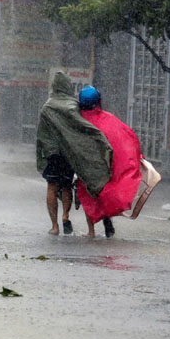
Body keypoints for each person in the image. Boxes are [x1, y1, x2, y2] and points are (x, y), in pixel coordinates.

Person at [36, 72, 113, 235]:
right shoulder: (74, 105)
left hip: (52, 154)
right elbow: (82, 127)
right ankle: (66, 215)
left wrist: (42, 155)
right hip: (69, 153)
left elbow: (41, 136)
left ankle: (55, 226)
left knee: (51, 187)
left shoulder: (47, 108)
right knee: (66, 186)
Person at [76, 86, 142, 238]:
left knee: (87, 195)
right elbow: (125, 138)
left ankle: (91, 230)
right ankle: (107, 218)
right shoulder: (108, 119)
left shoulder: (78, 122)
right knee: (104, 192)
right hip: (105, 165)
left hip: (87, 166)